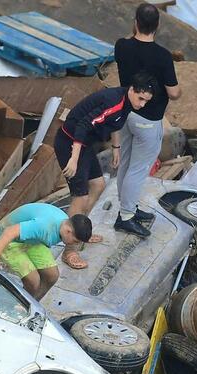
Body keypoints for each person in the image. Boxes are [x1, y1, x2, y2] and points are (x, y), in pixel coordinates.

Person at [53, 74, 158, 269]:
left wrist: (116, 148)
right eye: (141, 98)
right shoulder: (115, 101)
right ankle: (69, 249)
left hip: (85, 146)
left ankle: (82, 230)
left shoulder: (127, 103)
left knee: (98, 185)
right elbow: (84, 126)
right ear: (131, 90)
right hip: (70, 142)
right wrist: (73, 159)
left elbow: (114, 124)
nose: (142, 104)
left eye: (146, 101)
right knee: (80, 196)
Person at [112, 3, 181, 238]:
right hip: (148, 119)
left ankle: (126, 207)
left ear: (135, 22)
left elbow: (131, 42)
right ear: (158, 26)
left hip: (125, 113)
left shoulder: (121, 46)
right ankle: (126, 216)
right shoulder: (162, 56)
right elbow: (173, 92)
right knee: (138, 169)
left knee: (126, 163)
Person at [0, 202, 93, 299]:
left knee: (52, 276)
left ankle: (34, 302)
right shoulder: (43, 227)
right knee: (33, 281)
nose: (74, 245)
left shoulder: (64, 223)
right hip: (10, 240)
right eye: (75, 241)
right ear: (69, 231)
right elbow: (9, 232)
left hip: (32, 240)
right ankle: (19, 307)